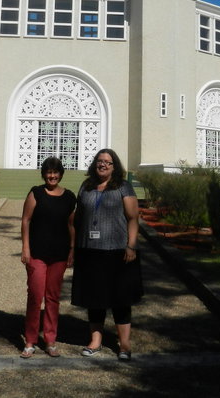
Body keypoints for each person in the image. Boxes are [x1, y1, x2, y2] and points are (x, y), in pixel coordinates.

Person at [70, 148, 143, 361]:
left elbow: (132, 218)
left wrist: (131, 246)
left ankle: (125, 344)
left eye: (107, 162)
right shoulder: (87, 186)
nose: (103, 164)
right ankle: (95, 341)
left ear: (114, 166)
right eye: (100, 161)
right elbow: (78, 218)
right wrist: (74, 247)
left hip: (117, 251)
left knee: (121, 298)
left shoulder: (123, 186)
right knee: (95, 298)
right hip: (90, 250)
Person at [19, 156, 76, 358]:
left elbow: (71, 225)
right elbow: (26, 220)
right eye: (48, 172)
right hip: (37, 253)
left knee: (53, 297)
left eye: (55, 172)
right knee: (35, 295)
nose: (52, 176)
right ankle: (31, 340)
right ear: (44, 174)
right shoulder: (36, 193)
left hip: (59, 254)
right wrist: (25, 248)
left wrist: (72, 249)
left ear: (60, 174)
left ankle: (50, 340)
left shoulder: (69, 197)